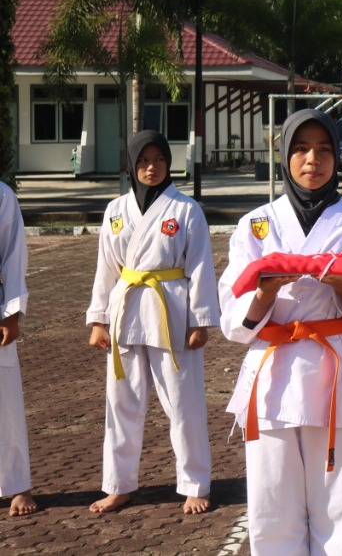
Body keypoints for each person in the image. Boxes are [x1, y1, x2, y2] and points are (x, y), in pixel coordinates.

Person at [220, 109, 342, 555]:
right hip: (272, 371)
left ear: (336, 156)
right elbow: (231, 317)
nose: (312, 160)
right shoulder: (256, 225)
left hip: (333, 369)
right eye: (300, 149)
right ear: (283, 155)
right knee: (271, 507)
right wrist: (262, 297)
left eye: (323, 150)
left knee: (338, 507)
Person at [86, 130, 218, 514]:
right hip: (125, 309)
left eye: (159, 160)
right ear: (131, 164)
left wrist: (201, 320)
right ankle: (118, 484)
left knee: (183, 402)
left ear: (169, 163)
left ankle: (195, 483)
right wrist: (97, 320)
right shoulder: (115, 210)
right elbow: (106, 269)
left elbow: (200, 267)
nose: (151, 167)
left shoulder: (186, 209)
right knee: (121, 403)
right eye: (143, 161)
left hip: (171, 310)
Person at [0, 181, 36, 517]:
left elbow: (13, 255)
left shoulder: (1, 195)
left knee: (5, 401)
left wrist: (10, 314)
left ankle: (17, 485)